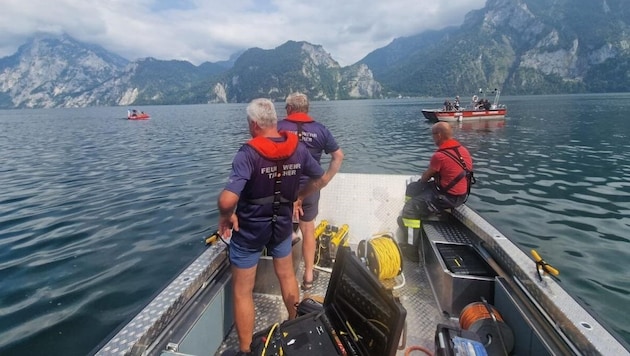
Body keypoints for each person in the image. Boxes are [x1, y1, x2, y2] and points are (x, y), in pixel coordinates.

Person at [217, 98, 328, 356]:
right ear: (274, 121)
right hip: (281, 225)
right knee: (287, 276)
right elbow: (319, 177)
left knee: (243, 291)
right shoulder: (297, 149)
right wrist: (299, 196)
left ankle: (245, 350)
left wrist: (226, 215)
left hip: (250, 231)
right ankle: (295, 326)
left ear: (254, 124)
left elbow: (227, 199)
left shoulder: (248, 153)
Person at [277, 92, 344, 291]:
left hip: (283, 187)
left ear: (289, 109)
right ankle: (307, 276)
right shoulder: (320, 130)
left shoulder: (278, 127)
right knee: (308, 230)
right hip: (310, 187)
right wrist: (323, 180)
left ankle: (285, 275)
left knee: (280, 226)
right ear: (307, 109)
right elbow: (338, 156)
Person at [402, 122, 474, 220]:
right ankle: (423, 211)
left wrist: (422, 181)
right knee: (413, 187)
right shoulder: (463, 150)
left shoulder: (439, 156)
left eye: (433, 134)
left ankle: (411, 229)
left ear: (439, 135)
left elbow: (425, 178)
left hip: (448, 198)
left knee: (411, 207)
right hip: (461, 196)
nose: (432, 138)